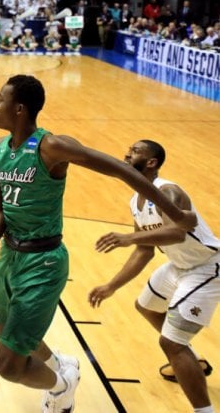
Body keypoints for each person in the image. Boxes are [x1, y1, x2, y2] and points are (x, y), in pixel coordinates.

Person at [0, 75, 198, 413]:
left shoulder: (52, 146)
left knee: (7, 365)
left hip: (43, 262)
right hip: (10, 255)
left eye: (0, 99)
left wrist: (174, 212)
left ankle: (63, 385)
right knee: (6, 328)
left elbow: (121, 171)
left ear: (19, 108)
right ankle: (63, 363)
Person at [88, 140, 219, 413]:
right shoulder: (135, 200)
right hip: (179, 265)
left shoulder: (168, 192)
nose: (126, 153)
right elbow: (144, 251)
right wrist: (111, 285)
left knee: (171, 342)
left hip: (207, 266)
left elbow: (176, 232)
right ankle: (193, 360)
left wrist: (128, 236)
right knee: (146, 306)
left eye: (135, 151)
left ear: (151, 162)